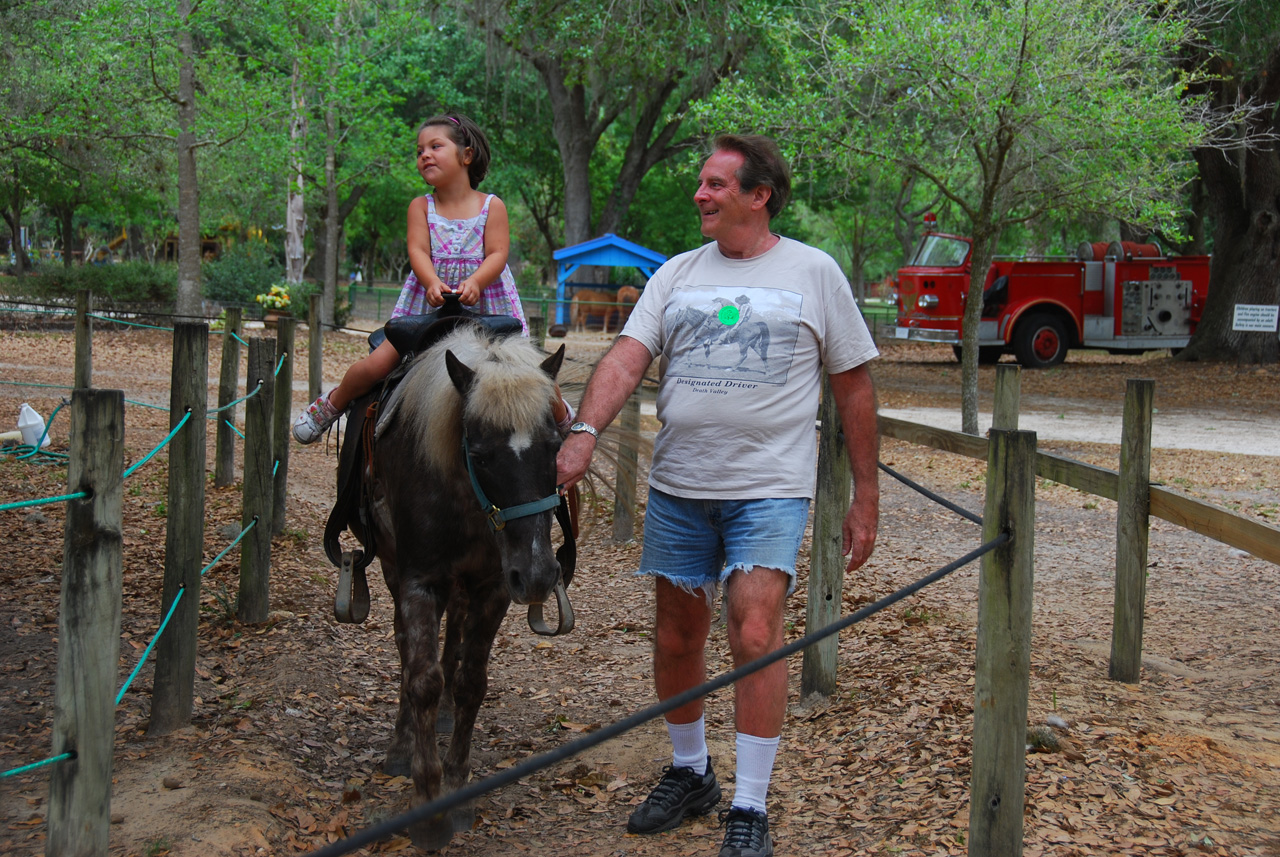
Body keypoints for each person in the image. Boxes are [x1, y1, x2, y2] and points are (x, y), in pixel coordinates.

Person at [555, 134, 880, 857]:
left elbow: (854, 385)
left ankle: (750, 805)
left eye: (714, 185)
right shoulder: (675, 274)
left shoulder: (814, 272)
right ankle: (691, 769)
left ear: (758, 195)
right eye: (701, 184)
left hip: (769, 486)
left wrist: (867, 494)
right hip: (680, 485)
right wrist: (582, 430)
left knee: (755, 629)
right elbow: (627, 359)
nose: (699, 195)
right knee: (677, 635)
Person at [294, 113, 542, 443]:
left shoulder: (491, 206)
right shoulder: (421, 207)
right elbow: (418, 252)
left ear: (466, 155)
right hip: (430, 305)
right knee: (378, 364)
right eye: (419, 150)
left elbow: (498, 253)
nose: (424, 154)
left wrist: (477, 281)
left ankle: (559, 417)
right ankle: (332, 404)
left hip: (484, 305)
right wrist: (430, 282)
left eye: (435, 146)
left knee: (524, 368)